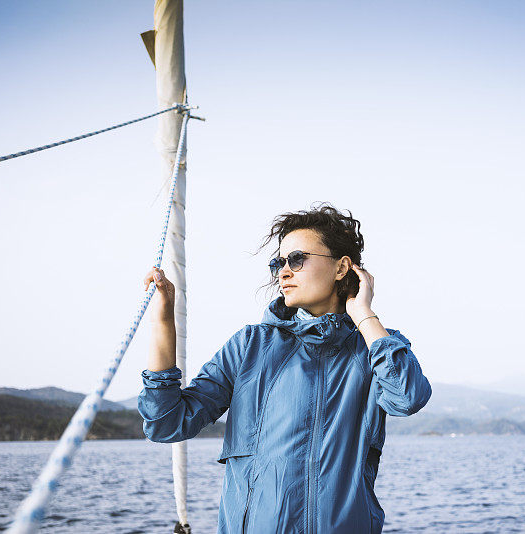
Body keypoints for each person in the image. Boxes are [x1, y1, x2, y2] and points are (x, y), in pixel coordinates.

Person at [138, 202, 432, 533]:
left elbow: (407, 397)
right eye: (279, 262)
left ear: (342, 267)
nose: (283, 271)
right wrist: (163, 320)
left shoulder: (375, 346)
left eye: (297, 259)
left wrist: (363, 313)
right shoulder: (250, 346)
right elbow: (166, 423)